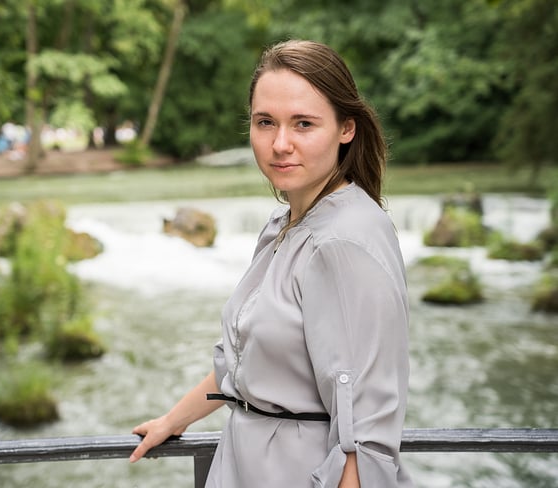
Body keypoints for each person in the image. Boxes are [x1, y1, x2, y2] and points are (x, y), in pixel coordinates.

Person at [130, 39, 413, 487]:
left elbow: (366, 425)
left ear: (346, 129)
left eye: (303, 123)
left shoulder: (345, 240)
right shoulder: (285, 222)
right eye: (266, 122)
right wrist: (174, 420)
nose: (280, 144)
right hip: (246, 463)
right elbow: (243, 362)